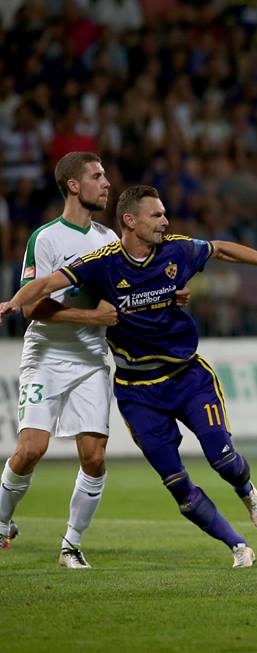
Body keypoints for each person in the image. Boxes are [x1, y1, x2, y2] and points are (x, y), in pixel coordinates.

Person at [0, 185, 257, 568]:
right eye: (156, 215)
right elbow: (47, 283)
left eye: (165, 214)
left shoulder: (177, 250)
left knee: (223, 459)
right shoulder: (102, 263)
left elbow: (221, 249)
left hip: (188, 378)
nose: (165, 221)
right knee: (177, 485)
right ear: (130, 221)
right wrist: (14, 302)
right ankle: (237, 546)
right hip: (138, 393)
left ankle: (246, 489)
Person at [0, 152, 119, 567]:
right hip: (47, 354)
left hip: (90, 358)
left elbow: (122, 294)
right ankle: (1, 522)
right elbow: (32, 308)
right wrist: (92, 317)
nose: (106, 183)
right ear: (73, 184)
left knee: (95, 457)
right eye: (96, 176)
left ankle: (71, 545)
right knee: (31, 449)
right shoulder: (46, 238)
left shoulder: (109, 240)